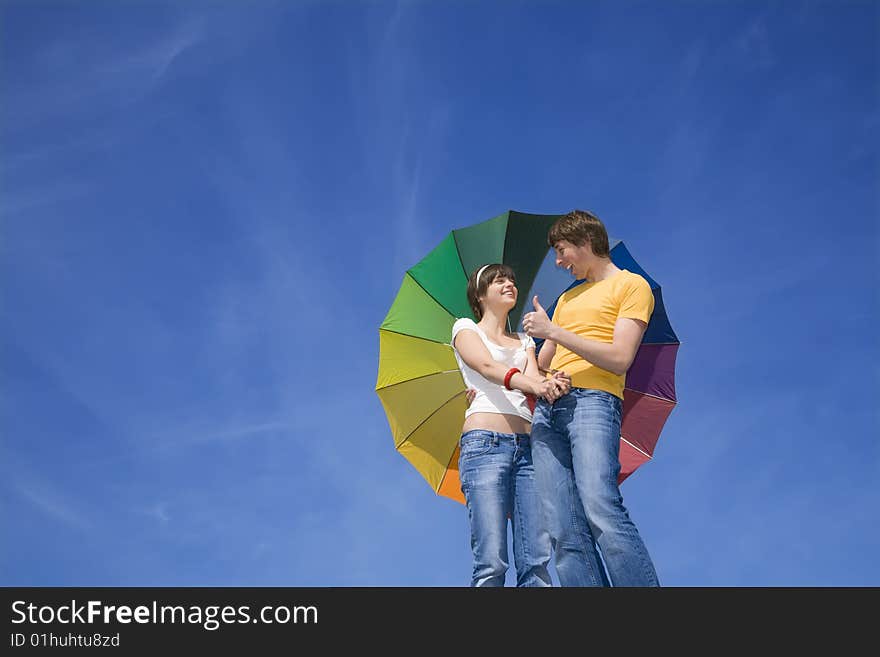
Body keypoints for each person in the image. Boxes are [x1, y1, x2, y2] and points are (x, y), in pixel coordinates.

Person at [522, 209, 660, 587]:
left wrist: (555, 331)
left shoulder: (632, 286)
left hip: (593, 403)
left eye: (562, 250)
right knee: (562, 528)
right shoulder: (566, 300)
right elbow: (545, 363)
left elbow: (619, 359)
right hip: (550, 411)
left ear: (584, 241)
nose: (558, 261)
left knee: (600, 506)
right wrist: (532, 353)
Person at [452, 263, 570, 587]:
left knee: (536, 564)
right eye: (499, 280)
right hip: (483, 445)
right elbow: (486, 366)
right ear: (479, 294)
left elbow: (535, 380)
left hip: (529, 450)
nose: (509, 284)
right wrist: (535, 385)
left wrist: (550, 372)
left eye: (512, 280)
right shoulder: (465, 328)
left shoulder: (524, 341)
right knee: (491, 563)